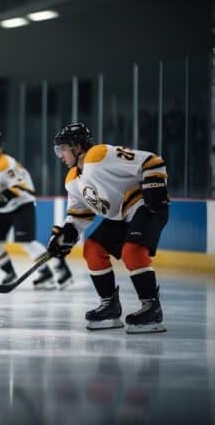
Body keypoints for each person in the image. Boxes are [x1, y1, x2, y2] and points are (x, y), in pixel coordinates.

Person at [47, 122, 169, 334]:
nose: (60, 155)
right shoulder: (72, 179)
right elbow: (79, 215)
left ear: (78, 146)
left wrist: (155, 186)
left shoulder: (98, 155)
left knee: (132, 252)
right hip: (121, 215)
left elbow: (151, 160)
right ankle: (110, 306)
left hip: (144, 205)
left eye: (63, 148)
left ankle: (152, 308)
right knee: (92, 249)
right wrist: (66, 235)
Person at [0, 131, 72, 289]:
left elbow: (22, 187)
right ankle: (10, 273)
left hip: (21, 204)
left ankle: (59, 268)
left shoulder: (7, 164)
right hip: (1, 208)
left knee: (27, 242)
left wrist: (3, 196)